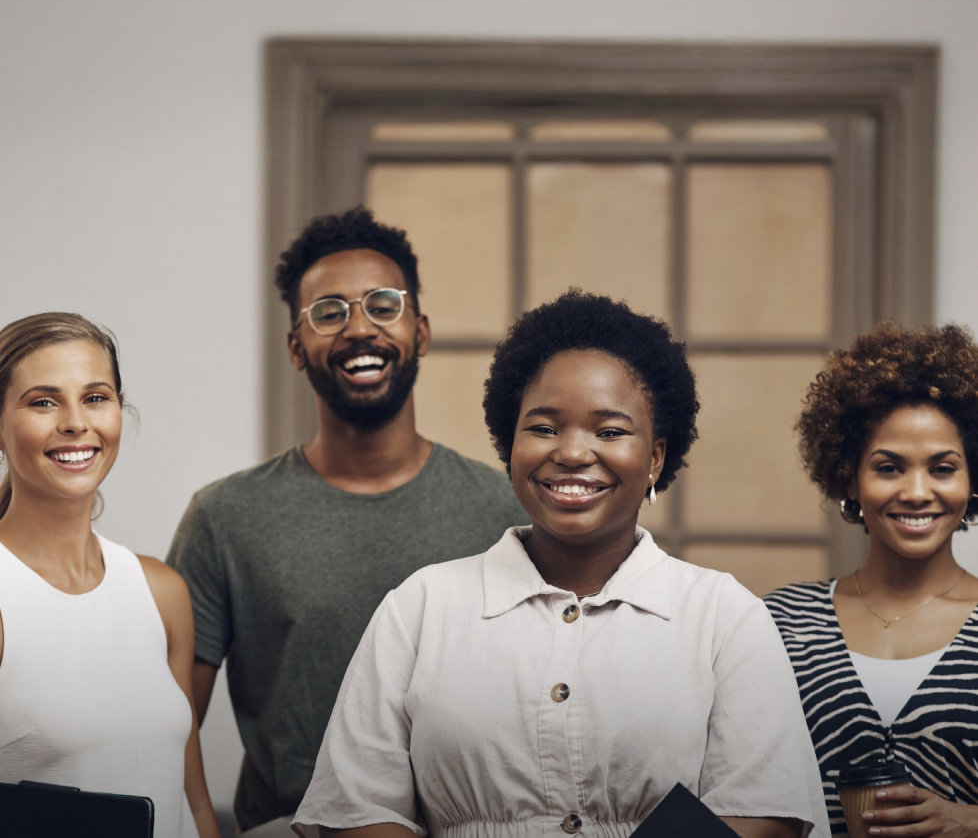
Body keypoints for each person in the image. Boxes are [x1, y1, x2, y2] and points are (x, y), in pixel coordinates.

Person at [293, 290, 830, 838]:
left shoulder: (725, 615)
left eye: (610, 431)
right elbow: (357, 810)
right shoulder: (420, 607)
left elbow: (764, 810)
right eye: (544, 428)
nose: (572, 453)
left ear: (655, 458)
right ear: (510, 446)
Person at [167, 206, 528, 834]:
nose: (359, 328)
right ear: (295, 347)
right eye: (329, 313)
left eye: (383, 305)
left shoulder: (506, 511)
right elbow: (165, 729)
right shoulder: (225, 517)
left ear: (420, 331)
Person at [0, 312, 219, 838]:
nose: (76, 422)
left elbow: (195, 803)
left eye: (96, 397)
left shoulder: (161, 591)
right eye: (43, 401)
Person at [765, 322, 978, 838]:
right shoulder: (781, 623)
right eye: (889, 468)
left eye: (943, 468)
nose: (917, 491)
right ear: (850, 478)